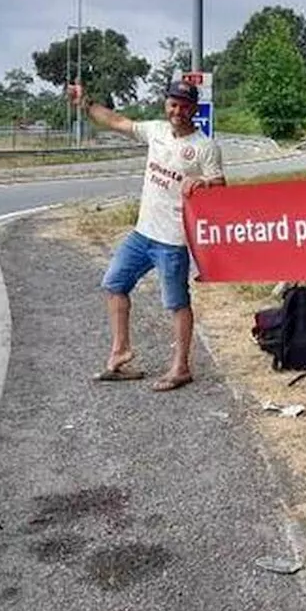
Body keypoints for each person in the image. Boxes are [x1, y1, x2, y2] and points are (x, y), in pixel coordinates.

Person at [67, 79, 225, 391]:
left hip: (174, 239)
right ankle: (120, 352)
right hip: (143, 233)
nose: (178, 111)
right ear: (166, 104)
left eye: (184, 106)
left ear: (195, 109)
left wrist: (203, 184)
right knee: (114, 284)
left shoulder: (205, 146)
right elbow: (115, 121)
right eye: (173, 104)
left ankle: (181, 367)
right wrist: (85, 103)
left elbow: (221, 184)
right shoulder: (155, 130)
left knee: (176, 303)